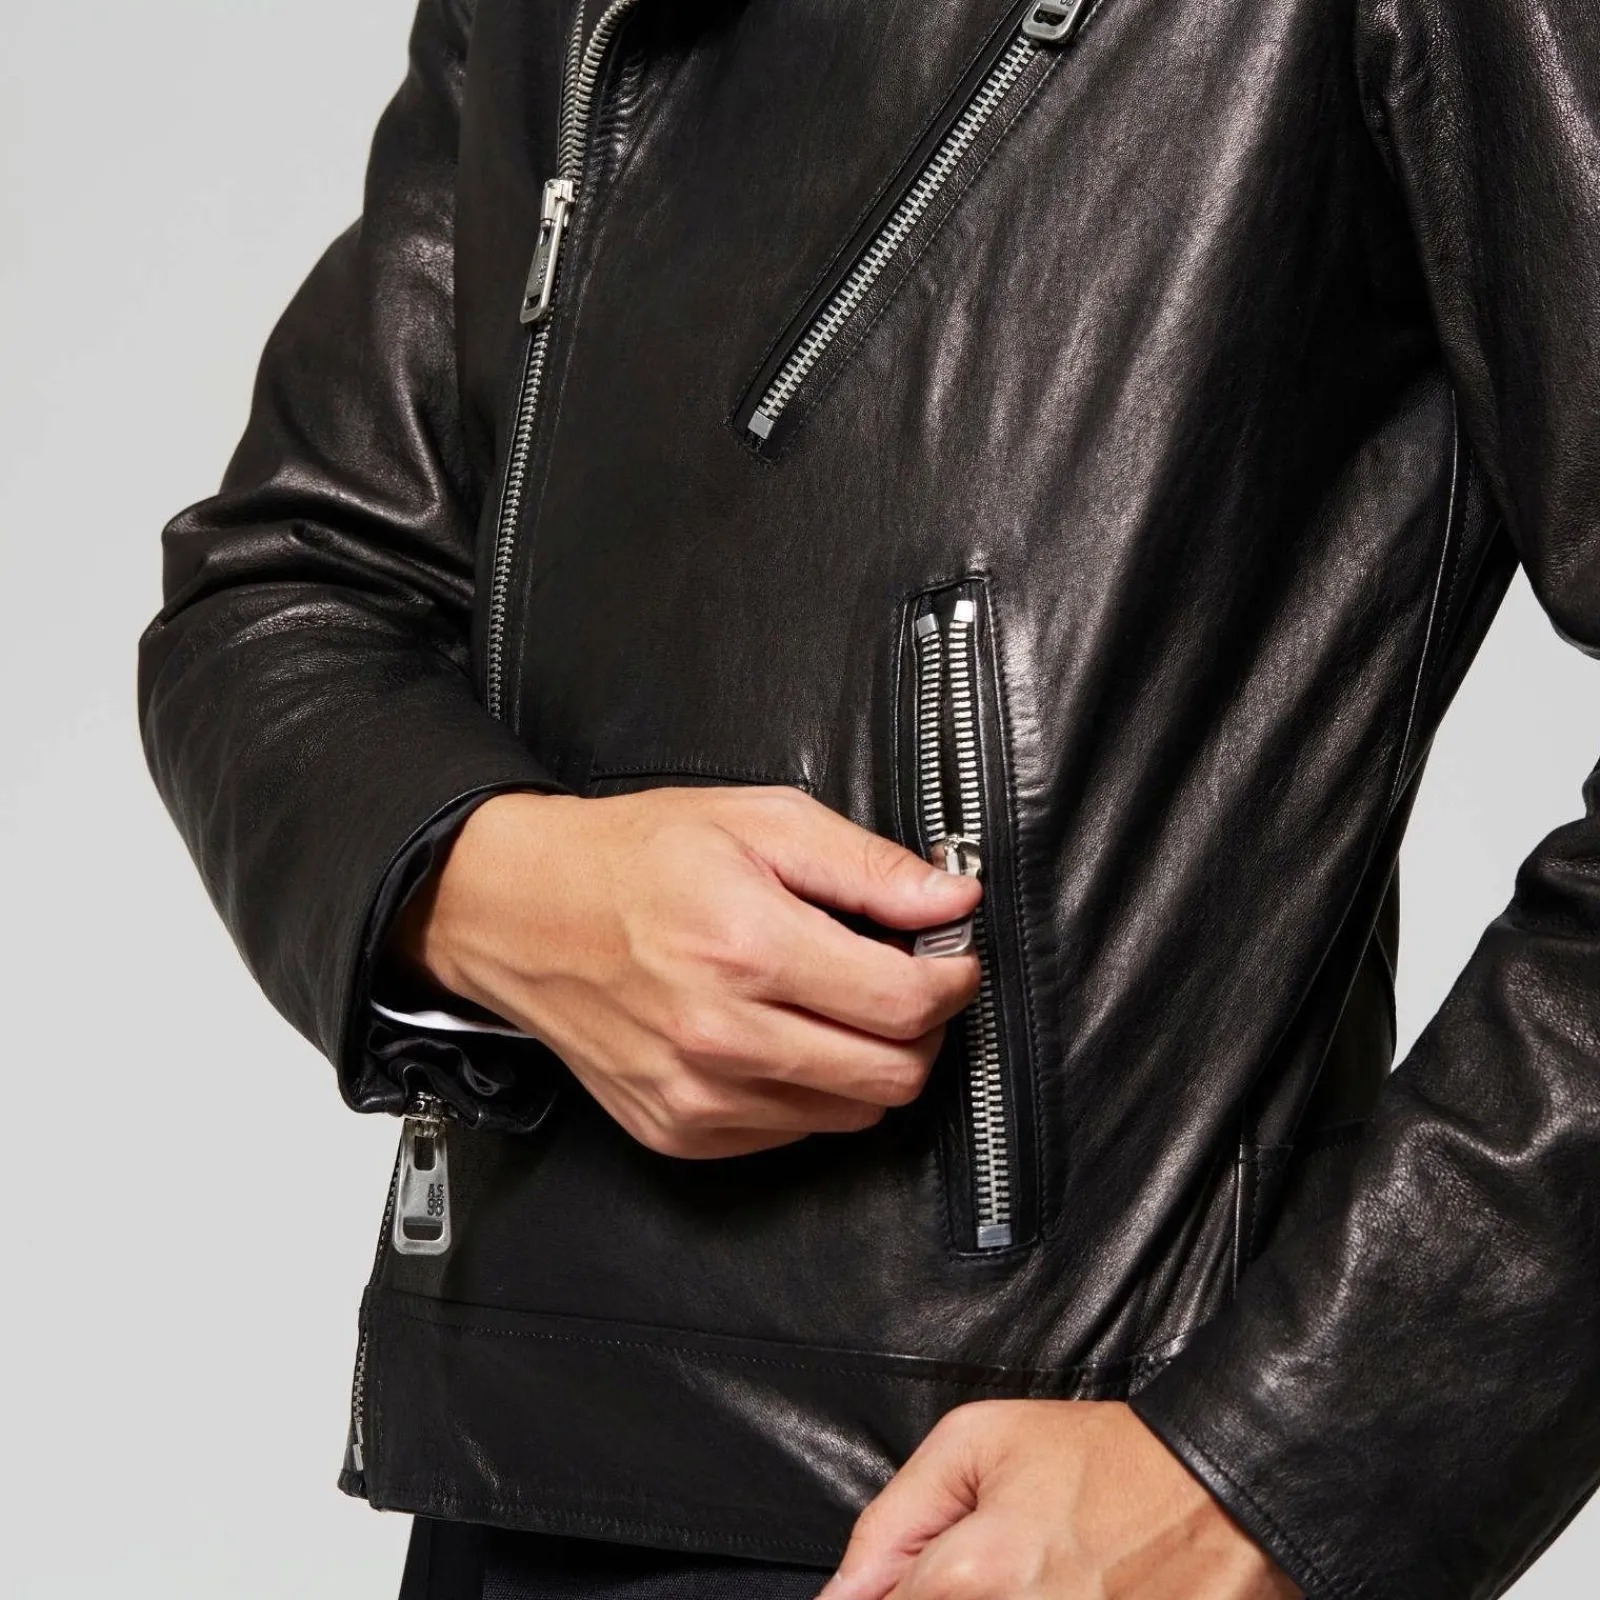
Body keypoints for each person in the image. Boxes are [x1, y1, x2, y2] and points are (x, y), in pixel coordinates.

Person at [138, 0, 1600, 1594]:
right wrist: (497, 885)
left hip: (1027, 1507)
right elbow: (288, 586)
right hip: (513, 1458)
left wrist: (1267, 1472)